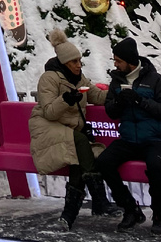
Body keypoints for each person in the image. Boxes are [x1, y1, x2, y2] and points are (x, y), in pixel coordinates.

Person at [28, 29, 119, 229]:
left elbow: (97, 96)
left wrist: (118, 90)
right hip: (46, 127)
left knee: (79, 157)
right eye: (73, 62)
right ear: (63, 63)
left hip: (67, 132)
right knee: (79, 142)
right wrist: (66, 99)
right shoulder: (49, 79)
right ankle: (99, 198)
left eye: (79, 61)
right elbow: (50, 112)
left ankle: (68, 217)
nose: (78, 65)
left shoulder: (80, 79)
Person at [95, 36, 161, 234]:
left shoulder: (155, 80)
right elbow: (111, 112)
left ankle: (159, 214)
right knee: (104, 162)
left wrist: (140, 101)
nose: (115, 63)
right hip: (129, 139)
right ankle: (130, 209)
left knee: (155, 165)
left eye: (118, 60)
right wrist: (119, 102)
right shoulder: (116, 81)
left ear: (130, 61)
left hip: (155, 140)